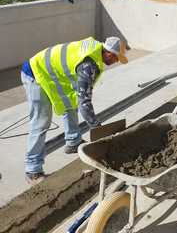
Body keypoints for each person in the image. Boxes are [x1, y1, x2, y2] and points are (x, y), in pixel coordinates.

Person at [21, 36, 128, 184]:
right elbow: (85, 102)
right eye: (116, 58)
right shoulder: (88, 65)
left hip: (54, 75)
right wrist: (97, 128)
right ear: (109, 53)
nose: (116, 62)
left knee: (70, 105)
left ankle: (73, 142)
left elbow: (80, 97)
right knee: (41, 122)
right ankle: (32, 170)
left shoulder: (95, 52)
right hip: (35, 72)